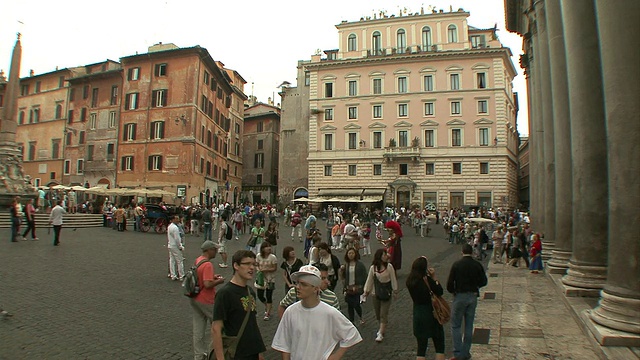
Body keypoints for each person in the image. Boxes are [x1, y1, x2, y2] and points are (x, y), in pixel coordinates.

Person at [271, 265, 362, 360]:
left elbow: (351, 334)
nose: (298, 287)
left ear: (315, 289)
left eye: (303, 284)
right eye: (297, 283)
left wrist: (336, 356)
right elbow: (284, 343)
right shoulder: (290, 311)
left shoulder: (329, 313)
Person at [211, 250, 266, 360]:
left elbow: (252, 323)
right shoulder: (225, 294)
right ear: (236, 265)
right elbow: (216, 329)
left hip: (253, 352)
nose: (252, 268)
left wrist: (259, 351)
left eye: (254, 264)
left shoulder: (250, 291)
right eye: (247, 264)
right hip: (236, 353)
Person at [446, 243, 488, 360]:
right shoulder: (477, 265)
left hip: (460, 295)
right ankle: (465, 353)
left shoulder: (457, 265)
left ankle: (458, 353)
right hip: (472, 296)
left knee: (456, 325)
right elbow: (484, 281)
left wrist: (453, 291)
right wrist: (476, 286)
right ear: (472, 252)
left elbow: (449, 283)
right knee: (469, 325)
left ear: (462, 252)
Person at [406, 256, 445, 360]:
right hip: (431, 313)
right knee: (439, 345)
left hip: (418, 314)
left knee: (421, 348)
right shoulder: (427, 280)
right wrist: (434, 277)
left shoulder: (410, 281)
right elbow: (440, 291)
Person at [191, 240, 225, 360]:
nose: (216, 251)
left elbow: (200, 277)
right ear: (209, 250)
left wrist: (212, 277)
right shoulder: (208, 265)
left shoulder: (198, 260)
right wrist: (219, 281)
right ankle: (214, 351)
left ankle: (199, 355)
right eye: (214, 249)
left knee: (198, 328)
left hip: (195, 297)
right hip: (206, 300)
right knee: (218, 325)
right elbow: (207, 284)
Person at [363, 248, 398, 342]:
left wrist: (395, 290)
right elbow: (369, 280)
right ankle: (382, 325)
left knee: (383, 313)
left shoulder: (389, 267)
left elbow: (393, 278)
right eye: (384, 254)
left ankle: (381, 333)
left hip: (387, 293)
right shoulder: (373, 268)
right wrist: (366, 291)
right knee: (378, 314)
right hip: (376, 293)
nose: (386, 256)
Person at [340, 247, 367, 324]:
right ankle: (351, 320)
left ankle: (360, 316)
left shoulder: (360, 265)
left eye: (352, 253)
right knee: (349, 304)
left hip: (357, 287)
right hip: (349, 287)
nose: (351, 255)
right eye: (349, 253)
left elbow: (364, 276)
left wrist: (362, 286)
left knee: (356, 304)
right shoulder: (346, 265)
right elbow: (343, 278)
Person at [255, 242, 278, 321]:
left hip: (270, 279)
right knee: (260, 295)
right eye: (266, 247)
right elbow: (256, 264)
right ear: (263, 249)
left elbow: (275, 268)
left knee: (269, 296)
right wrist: (259, 270)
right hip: (261, 278)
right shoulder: (258, 256)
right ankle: (267, 305)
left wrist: (266, 269)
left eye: (269, 247)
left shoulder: (273, 257)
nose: (269, 248)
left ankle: (268, 312)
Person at [167, 215, 185, 281]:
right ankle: (181, 275)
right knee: (179, 261)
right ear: (173, 219)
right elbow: (177, 239)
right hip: (175, 246)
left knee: (172, 260)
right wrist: (180, 246)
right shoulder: (175, 228)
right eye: (176, 219)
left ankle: (173, 275)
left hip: (170, 245)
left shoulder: (169, 226)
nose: (178, 220)